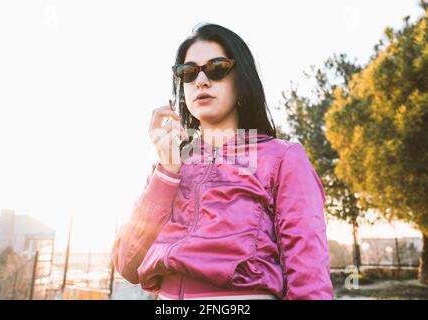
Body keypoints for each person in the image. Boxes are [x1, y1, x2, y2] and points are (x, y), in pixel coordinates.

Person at [111, 23, 334, 300]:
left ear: (242, 81)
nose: (201, 81)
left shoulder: (282, 158)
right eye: (188, 73)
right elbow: (128, 265)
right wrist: (167, 171)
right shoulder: (168, 166)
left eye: (216, 68)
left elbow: (309, 276)